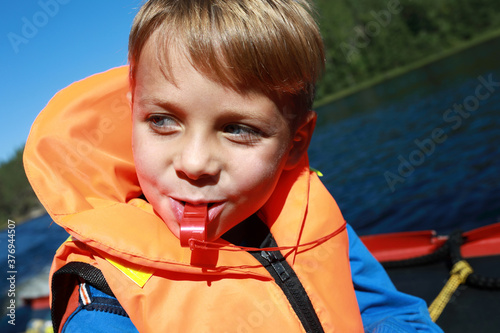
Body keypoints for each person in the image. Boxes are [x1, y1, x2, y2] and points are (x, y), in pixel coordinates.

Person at [24, 0, 442, 332]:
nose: (194, 163)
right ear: (132, 115)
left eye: (238, 128)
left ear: (295, 145)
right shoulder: (102, 297)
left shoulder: (307, 218)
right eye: (163, 121)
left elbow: (387, 312)